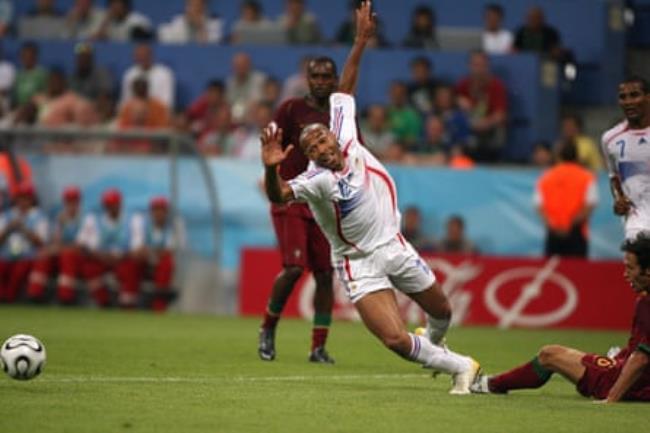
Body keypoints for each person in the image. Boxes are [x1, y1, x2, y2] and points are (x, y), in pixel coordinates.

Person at [261, 1, 479, 393]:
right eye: (311, 147)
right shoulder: (315, 181)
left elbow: (346, 86)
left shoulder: (344, 128)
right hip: (358, 262)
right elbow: (280, 193)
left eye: (321, 138)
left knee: (442, 310)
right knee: (394, 339)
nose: (321, 147)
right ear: (309, 158)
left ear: (332, 133)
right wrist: (270, 168)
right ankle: (461, 367)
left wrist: (361, 40)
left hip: (393, 244)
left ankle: (436, 346)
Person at [472, 232, 650, 402]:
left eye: (630, 268)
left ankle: (491, 384)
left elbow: (641, 358)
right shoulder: (644, 298)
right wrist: (620, 357)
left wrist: (612, 397)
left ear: (648, 270)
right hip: (637, 381)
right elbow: (640, 346)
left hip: (627, 383)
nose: (625, 273)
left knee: (549, 355)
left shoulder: (645, 303)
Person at [257, 54, 340, 364]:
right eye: (315, 76)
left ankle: (318, 347)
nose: (320, 81)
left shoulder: (341, 111)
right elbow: (270, 143)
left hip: (322, 201)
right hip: (291, 195)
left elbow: (355, 147)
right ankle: (267, 329)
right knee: (293, 268)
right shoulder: (292, 109)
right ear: (308, 80)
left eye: (326, 76)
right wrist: (272, 170)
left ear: (334, 79)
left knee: (324, 274)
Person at [601, 76, 650, 241]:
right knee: (634, 265)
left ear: (648, 97)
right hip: (637, 220)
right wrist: (618, 199)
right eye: (623, 97)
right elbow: (613, 176)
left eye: (634, 95)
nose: (628, 101)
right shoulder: (610, 139)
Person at [534, 140, 598, 257]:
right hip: (576, 233)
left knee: (553, 271)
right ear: (577, 156)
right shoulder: (587, 177)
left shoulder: (546, 176)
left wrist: (553, 225)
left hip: (553, 232)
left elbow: (539, 206)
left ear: (559, 156)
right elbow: (589, 206)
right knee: (576, 272)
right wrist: (569, 225)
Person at [27, 186, 83, 302]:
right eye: (69, 201)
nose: (71, 204)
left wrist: (57, 249)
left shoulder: (85, 219)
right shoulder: (60, 218)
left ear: (79, 202)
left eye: (74, 201)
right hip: (61, 253)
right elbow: (55, 241)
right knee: (44, 256)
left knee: (67, 257)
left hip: (78, 257)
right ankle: (35, 294)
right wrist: (52, 248)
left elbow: (80, 246)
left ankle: (66, 297)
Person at [128, 196, 185, 311]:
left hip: (160, 263)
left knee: (167, 263)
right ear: (151, 211)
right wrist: (150, 252)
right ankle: (129, 305)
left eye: (161, 210)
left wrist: (150, 252)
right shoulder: (141, 223)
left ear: (166, 212)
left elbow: (170, 250)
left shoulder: (175, 225)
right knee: (131, 264)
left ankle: (159, 306)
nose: (158, 213)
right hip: (144, 260)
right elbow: (137, 249)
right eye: (155, 209)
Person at [455, 50, 508, 163]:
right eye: (475, 65)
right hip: (468, 127)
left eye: (482, 65)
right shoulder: (463, 84)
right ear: (469, 66)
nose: (478, 69)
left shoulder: (496, 86)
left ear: (487, 66)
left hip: (488, 129)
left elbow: (500, 115)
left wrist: (485, 123)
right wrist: (458, 101)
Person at [0, 183, 48, 303]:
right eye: (20, 198)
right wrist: (8, 228)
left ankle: (8, 298)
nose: (23, 202)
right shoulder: (6, 216)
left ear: (32, 199)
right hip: (6, 255)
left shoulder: (38, 216)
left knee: (19, 271)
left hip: (28, 256)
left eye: (26, 198)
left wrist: (24, 228)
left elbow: (41, 242)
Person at [120, 43, 175, 110]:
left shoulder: (164, 74)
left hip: (157, 112)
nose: (141, 59)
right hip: (134, 113)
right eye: (138, 56)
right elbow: (125, 100)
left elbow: (167, 102)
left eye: (144, 56)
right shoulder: (129, 74)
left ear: (151, 56)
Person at [226, 52, 266, 123]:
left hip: (254, 120)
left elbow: (262, 103)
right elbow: (227, 103)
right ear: (233, 67)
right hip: (233, 122)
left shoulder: (260, 80)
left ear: (249, 65)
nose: (241, 68)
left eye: (243, 65)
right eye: (238, 65)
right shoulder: (229, 83)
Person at [158, 0, 223, 44]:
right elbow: (165, 38)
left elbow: (211, 45)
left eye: (198, 6)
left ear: (204, 7)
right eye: (191, 5)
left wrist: (201, 27)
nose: (194, 9)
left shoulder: (214, 23)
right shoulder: (178, 21)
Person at [14, 42, 48, 107]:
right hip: (20, 109)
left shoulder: (42, 74)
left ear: (35, 56)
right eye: (24, 56)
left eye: (29, 56)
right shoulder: (18, 75)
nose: (26, 58)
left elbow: (46, 95)